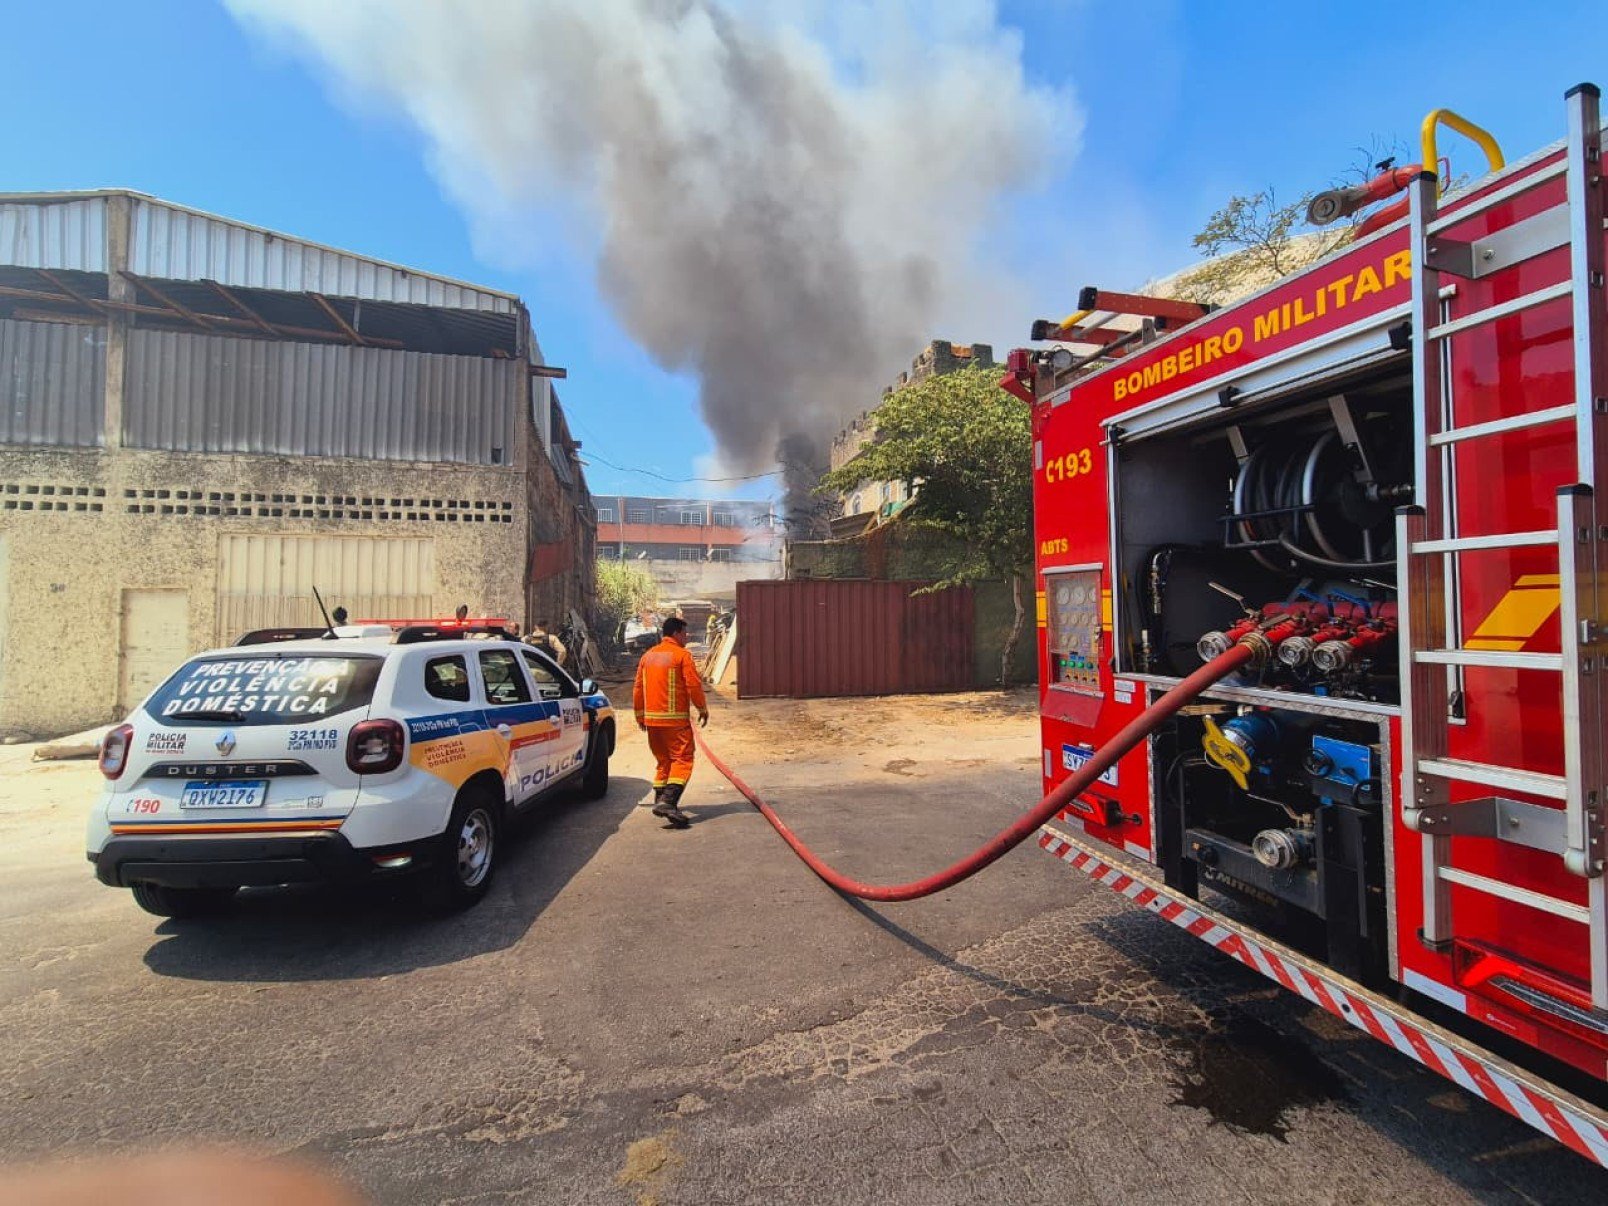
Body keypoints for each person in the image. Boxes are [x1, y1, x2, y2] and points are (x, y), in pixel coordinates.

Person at [633, 616, 709, 829]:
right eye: (685, 634)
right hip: (675, 722)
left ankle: (661, 802)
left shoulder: (647, 656)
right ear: (676, 633)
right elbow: (693, 685)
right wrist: (702, 708)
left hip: (652, 723)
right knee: (682, 759)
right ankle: (668, 802)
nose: (687, 638)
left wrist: (640, 715)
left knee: (664, 761)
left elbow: (638, 688)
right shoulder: (681, 655)